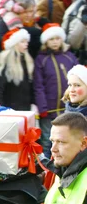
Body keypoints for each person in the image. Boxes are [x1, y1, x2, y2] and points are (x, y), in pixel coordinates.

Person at [35, 24, 79, 157]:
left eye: (57, 38)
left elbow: (79, 80)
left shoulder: (70, 57)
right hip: (49, 110)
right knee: (48, 141)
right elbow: (38, 85)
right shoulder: (41, 60)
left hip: (68, 109)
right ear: (46, 42)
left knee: (67, 139)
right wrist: (42, 108)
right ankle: (46, 170)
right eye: (51, 39)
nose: (55, 42)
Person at [0, 0, 43, 67]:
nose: (29, 15)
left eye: (31, 11)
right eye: (24, 12)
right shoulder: (4, 23)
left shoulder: (38, 23)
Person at [0, 28, 34, 111]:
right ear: (14, 44)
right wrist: (1, 108)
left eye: (26, 42)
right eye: (22, 42)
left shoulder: (27, 60)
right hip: (10, 108)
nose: (26, 44)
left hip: (25, 107)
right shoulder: (6, 61)